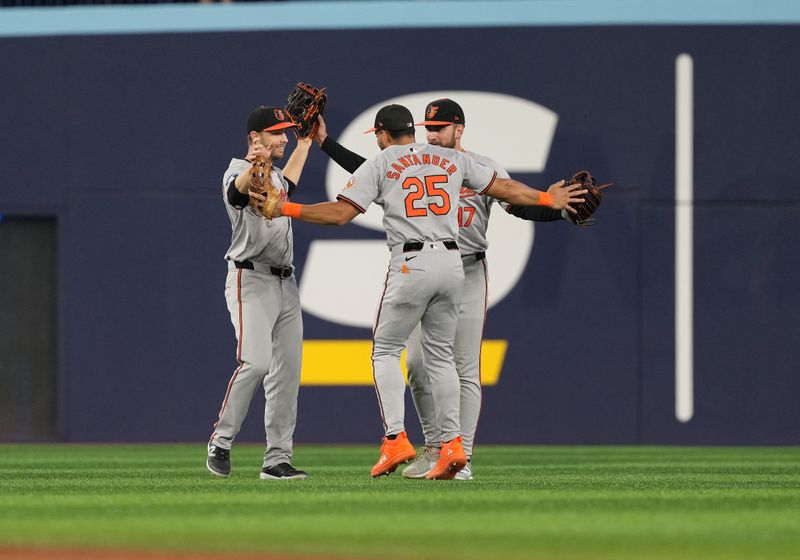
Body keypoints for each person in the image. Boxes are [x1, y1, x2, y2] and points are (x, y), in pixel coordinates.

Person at [259, 104, 584, 480]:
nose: (434, 133)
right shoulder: (449, 162)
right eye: (428, 126)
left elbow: (344, 208)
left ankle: (403, 439)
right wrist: (548, 198)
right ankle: (445, 448)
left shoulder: (393, 163)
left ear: (384, 135)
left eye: (440, 126)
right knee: (429, 361)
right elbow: (508, 188)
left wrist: (283, 207)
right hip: (450, 265)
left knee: (397, 352)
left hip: (429, 263)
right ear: (414, 129)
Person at [206, 106, 312, 480]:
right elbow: (239, 195)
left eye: (286, 132)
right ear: (256, 138)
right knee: (256, 362)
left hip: (287, 283)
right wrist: (253, 170)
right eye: (277, 133)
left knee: (286, 374)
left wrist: (308, 142)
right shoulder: (238, 172)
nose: (284, 138)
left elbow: (291, 183)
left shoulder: (278, 175)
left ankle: (277, 459)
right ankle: (221, 440)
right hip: (250, 280)